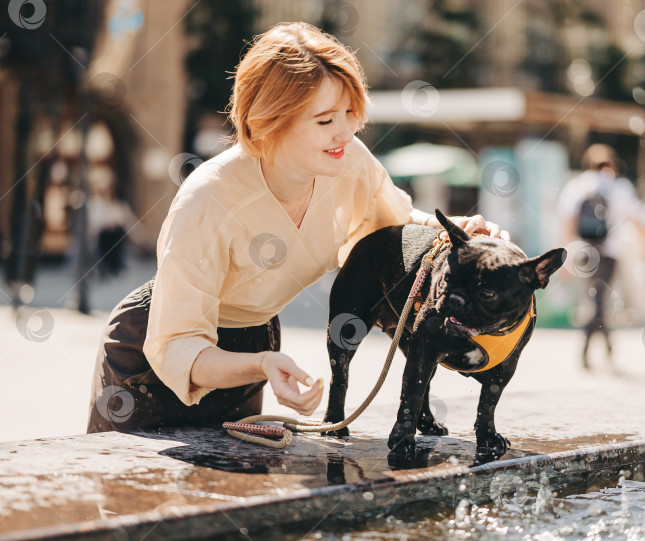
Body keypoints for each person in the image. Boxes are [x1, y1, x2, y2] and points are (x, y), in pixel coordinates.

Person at [86, 22, 509, 433]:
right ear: (266, 121)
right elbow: (175, 344)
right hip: (151, 350)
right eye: (325, 121)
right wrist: (261, 364)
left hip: (255, 343)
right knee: (130, 499)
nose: (345, 131)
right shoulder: (207, 198)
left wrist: (460, 234)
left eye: (349, 112)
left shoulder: (349, 161)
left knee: (237, 496)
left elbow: (395, 228)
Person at [557, 144, 645, 370]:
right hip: (609, 253)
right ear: (612, 165)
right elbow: (636, 221)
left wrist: (562, 257)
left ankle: (603, 347)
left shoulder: (576, 186)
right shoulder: (619, 187)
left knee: (596, 300)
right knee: (598, 300)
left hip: (583, 253)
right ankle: (589, 351)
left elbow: (567, 225)